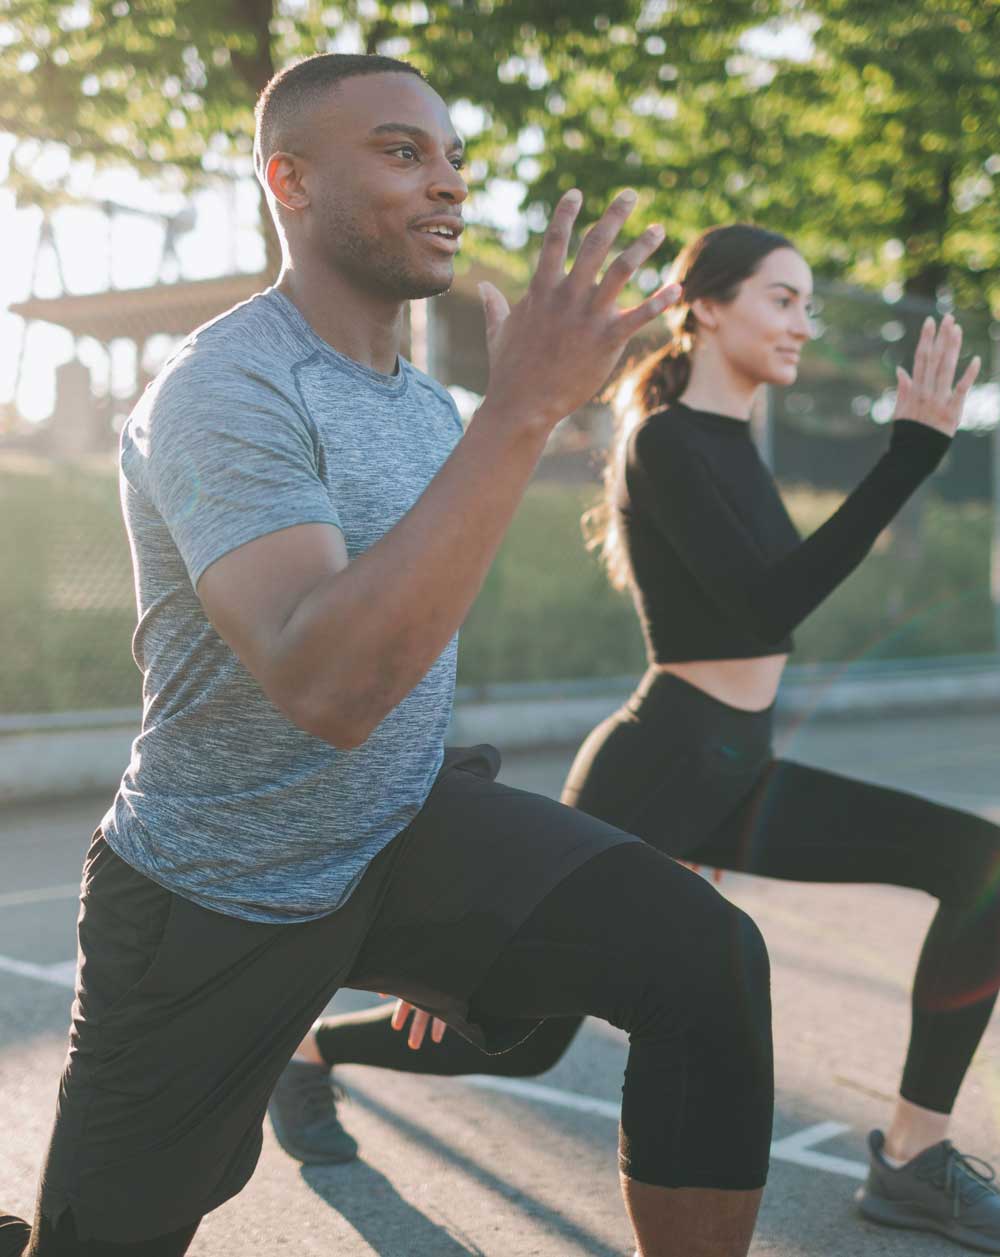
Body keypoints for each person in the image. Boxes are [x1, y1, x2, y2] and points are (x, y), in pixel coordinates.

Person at [0, 58, 775, 1257]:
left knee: (706, 959)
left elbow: (415, 649)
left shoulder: (427, 411)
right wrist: (524, 414)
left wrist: (443, 902)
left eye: (455, 158)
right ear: (290, 180)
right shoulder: (225, 387)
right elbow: (328, 686)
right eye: (404, 152)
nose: (449, 184)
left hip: (397, 836)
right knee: (105, 1241)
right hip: (218, 889)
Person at [286, 224, 1000, 1255]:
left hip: (736, 767)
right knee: (521, 1039)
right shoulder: (662, 442)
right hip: (658, 769)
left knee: (977, 862)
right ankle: (308, 1050)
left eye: (808, 303)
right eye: (782, 299)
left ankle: (909, 1156)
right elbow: (769, 609)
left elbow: (765, 611)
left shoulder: (731, 442)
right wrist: (908, 459)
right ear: (706, 306)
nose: (803, 322)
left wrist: (907, 460)